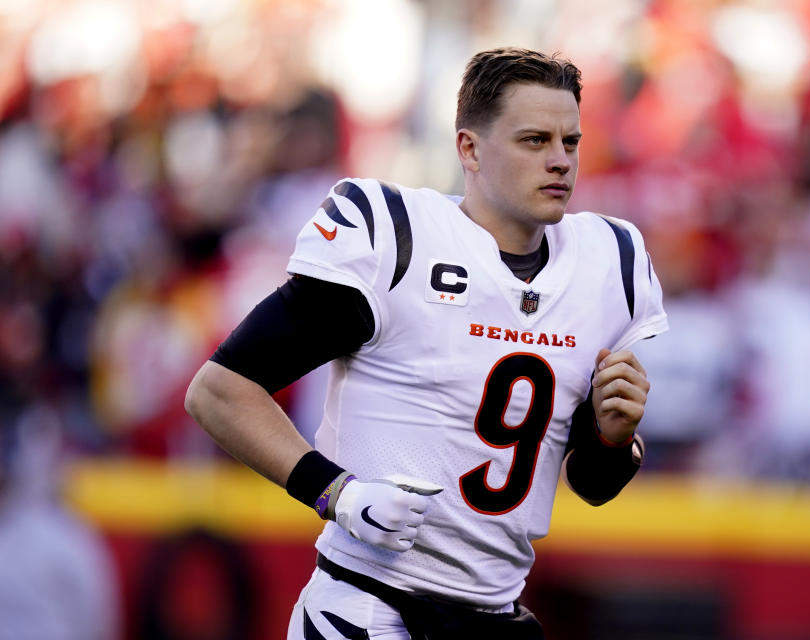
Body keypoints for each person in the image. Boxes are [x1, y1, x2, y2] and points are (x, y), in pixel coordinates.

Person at [185, 47, 668, 640]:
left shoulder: (607, 265)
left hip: (495, 613)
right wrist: (335, 492)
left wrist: (615, 441)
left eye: (570, 142)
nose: (559, 161)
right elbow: (219, 390)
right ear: (469, 149)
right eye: (534, 140)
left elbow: (592, 485)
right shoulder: (396, 243)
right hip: (367, 604)